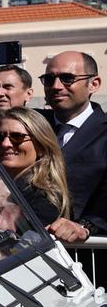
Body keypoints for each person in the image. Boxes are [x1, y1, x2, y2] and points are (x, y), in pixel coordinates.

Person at [38, 51, 107, 239]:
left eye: (67, 78)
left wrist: (85, 226)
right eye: (49, 79)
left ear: (94, 84)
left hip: (86, 257)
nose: (56, 86)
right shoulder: (30, 126)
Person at [0, 108, 72, 230]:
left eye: (17, 137)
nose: (5, 144)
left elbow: (33, 240)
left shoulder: (48, 196)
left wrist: (11, 199)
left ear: (40, 146)